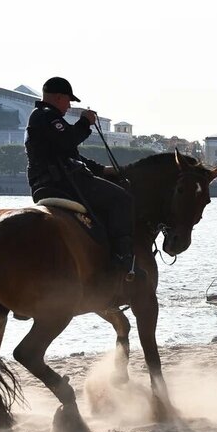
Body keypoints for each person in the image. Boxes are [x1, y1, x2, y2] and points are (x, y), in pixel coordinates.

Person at [25, 76, 137, 281]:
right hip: (64, 182)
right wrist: (85, 122)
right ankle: (123, 260)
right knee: (122, 199)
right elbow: (69, 141)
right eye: (68, 100)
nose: (69, 106)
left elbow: (70, 155)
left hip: (45, 182)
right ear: (59, 97)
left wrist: (102, 170)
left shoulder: (42, 117)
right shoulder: (47, 116)